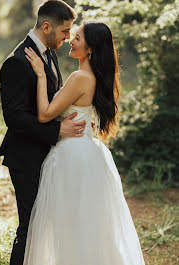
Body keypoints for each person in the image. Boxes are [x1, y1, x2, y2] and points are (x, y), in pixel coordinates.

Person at [23, 21, 146, 265]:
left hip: (72, 156)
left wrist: (39, 75)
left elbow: (45, 114)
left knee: (68, 225)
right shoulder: (93, 77)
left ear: (90, 49)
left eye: (77, 37)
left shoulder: (80, 77)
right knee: (87, 224)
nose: (71, 40)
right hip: (87, 152)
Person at [0, 0, 87, 265]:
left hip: (46, 153)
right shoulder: (17, 62)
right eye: (64, 31)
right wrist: (58, 131)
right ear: (46, 26)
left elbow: (49, 99)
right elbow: (14, 118)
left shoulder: (50, 52)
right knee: (30, 226)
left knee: (45, 224)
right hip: (25, 156)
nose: (68, 37)